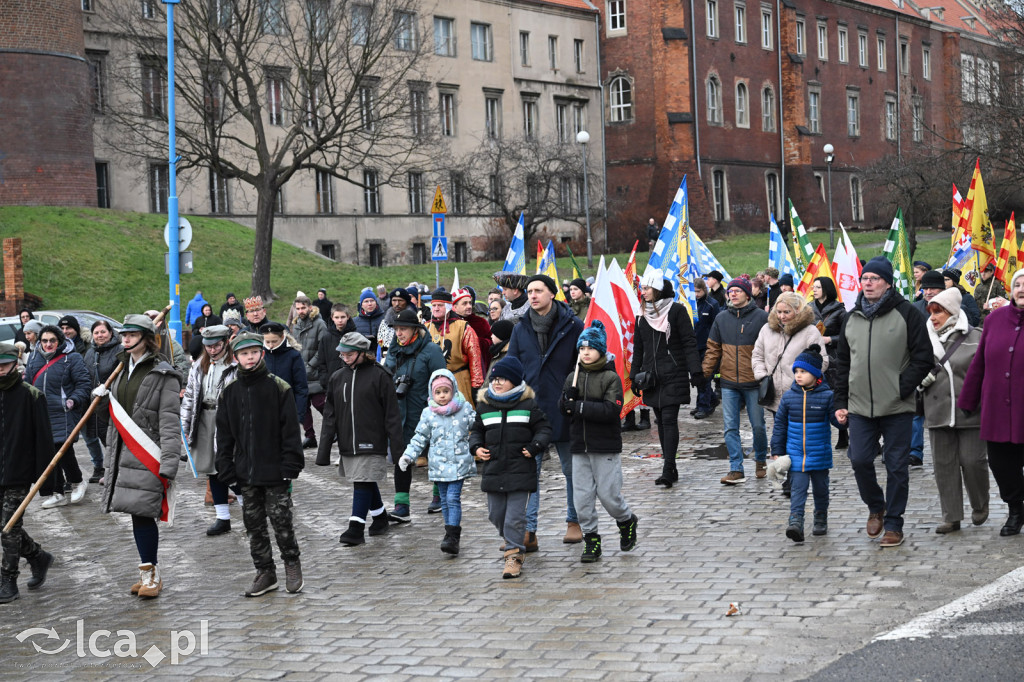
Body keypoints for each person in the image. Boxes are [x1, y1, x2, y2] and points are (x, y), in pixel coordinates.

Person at [834, 257, 933, 547]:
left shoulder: (907, 314)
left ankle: (894, 524)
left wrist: (901, 387)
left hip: (897, 407)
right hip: (860, 406)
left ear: (888, 283)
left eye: (875, 278)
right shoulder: (851, 318)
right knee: (860, 459)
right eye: (865, 278)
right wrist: (841, 400)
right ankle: (876, 506)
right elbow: (843, 363)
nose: (868, 283)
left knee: (896, 465)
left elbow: (923, 357)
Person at [99, 314, 183, 599]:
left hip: (149, 453)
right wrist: (98, 398)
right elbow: (114, 419)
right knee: (136, 515)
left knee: (143, 514)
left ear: (147, 338)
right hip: (123, 452)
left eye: (132, 334)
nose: (125, 338)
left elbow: (170, 421)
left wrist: (170, 462)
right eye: (124, 334)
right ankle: (148, 574)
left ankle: (152, 576)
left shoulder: (164, 374)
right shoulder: (120, 370)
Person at [215, 332, 304, 596]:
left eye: (254, 352)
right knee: (253, 526)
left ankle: (291, 563)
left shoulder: (279, 387)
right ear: (236, 358)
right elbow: (224, 434)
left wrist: (290, 465)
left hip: (276, 470)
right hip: (246, 472)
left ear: (262, 353)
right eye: (244, 354)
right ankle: (265, 571)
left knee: (281, 521)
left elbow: (290, 431)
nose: (250, 357)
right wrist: (226, 467)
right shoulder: (230, 392)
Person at [507, 274, 585, 547]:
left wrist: (575, 394)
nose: (532, 295)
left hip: (564, 408)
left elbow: (583, 364)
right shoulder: (521, 328)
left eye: (538, 290)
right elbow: (512, 366)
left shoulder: (574, 326)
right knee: (529, 472)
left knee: (571, 469)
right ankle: (528, 531)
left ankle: (574, 521)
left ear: (552, 293)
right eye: (529, 291)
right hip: (531, 411)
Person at [560, 321, 638, 563]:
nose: (585, 352)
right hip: (579, 447)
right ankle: (591, 540)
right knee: (582, 499)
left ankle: (626, 520)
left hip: (604, 446)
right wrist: (567, 402)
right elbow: (564, 409)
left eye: (590, 348)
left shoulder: (610, 377)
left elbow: (610, 410)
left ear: (601, 350)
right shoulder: (572, 376)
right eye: (581, 348)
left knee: (608, 495)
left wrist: (579, 406)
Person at [317, 332, 404, 546]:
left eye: (349, 354)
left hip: (373, 440)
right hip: (348, 442)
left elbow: (392, 415)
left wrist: (399, 450)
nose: (344, 358)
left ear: (363, 353)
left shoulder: (380, 376)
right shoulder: (337, 377)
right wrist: (324, 450)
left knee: (362, 481)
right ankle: (381, 517)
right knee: (364, 479)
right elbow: (330, 415)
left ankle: (355, 528)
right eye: (342, 354)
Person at [469, 356, 551, 579]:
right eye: (494, 378)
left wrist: (535, 447)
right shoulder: (485, 406)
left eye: (503, 379)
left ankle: (514, 555)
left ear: (515, 381)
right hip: (494, 470)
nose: (496, 382)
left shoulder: (527, 405)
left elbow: (543, 429)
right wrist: (476, 447)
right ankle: (510, 540)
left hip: (520, 471)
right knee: (496, 515)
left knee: (515, 517)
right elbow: (476, 430)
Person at [958, 268, 1024, 537]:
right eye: (1018, 284)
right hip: (998, 408)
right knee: (1000, 463)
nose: (1022, 289)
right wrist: (968, 398)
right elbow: (980, 362)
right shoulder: (995, 319)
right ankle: (1016, 509)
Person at [918, 288, 988, 534]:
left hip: (970, 411)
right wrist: (918, 380)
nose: (934, 317)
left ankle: (980, 504)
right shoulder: (922, 339)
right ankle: (952, 516)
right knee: (944, 466)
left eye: (939, 311)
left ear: (953, 312)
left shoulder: (976, 337)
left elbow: (985, 373)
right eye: (931, 312)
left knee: (974, 462)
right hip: (937, 410)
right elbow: (911, 366)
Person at [631, 269, 702, 488]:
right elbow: (639, 347)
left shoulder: (677, 311)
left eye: (646, 288)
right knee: (660, 420)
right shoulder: (642, 314)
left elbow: (689, 342)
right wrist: (635, 376)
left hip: (674, 373)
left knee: (669, 419)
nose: (643, 292)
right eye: (642, 288)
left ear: (658, 289)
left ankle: (668, 468)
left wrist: (695, 371)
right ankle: (670, 464)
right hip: (652, 377)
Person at [0, 342, 56, 604]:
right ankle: (37, 556)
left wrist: (44, 481)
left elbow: (43, 439)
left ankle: (8, 580)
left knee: (9, 528)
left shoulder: (31, 395)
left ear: (15, 364)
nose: (1, 370)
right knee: (3, 526)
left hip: (18, 473)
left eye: (5, 365)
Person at [399, 369, 477, 555]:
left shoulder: (464, 409)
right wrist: (408, 455)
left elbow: (478, 425)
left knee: (452, 498)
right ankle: (449, 532)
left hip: (459, 463)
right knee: (444, 499)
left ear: (453, 390)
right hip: (439, 465)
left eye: (446, 391)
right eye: (438, 392)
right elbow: (420, 437)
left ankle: (452, 535)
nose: (442, 396)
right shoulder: (428, 414)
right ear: (432, 393)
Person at [703, 278, 770, 484]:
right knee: (730, 427)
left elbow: (770, 348)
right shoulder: (721, 318)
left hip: (754, 382)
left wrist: (768, 375)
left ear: (747, 294)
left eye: (737, 291)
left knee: (758, 426)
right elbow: (713, 349)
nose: (732, 294)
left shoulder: (762, 317)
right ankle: (736, 468)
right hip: (729, 382)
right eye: (730, 291)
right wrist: (704, 374)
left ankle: (760, 459)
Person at [384, 308, 446, 521]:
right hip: (399, 414)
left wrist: (438, 409)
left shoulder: (431, 350)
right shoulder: (394, 350)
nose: (399, 333)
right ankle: (402, 506)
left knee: (435, 455)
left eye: (403, 329)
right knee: (402, 458)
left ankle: (439, 497)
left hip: (427, 413)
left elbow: (442, 382)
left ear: (415, 330)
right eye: (396, 329)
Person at [771, 345, 838, 542]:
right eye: (797, 371)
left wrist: (843, 418)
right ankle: (796, 521)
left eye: (804, 372)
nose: (798, 375)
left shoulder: (827, 396)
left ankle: (820, 516)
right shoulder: (789, 397)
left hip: (819, 455)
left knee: (821, 490)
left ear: (816, 374)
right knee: (797, 489)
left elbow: (836, 421)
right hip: (796, 456)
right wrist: (777, 450)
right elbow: (780, 425)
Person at [180, 325, 239, 536]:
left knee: (231, 469)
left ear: (225, 343)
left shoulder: (235, 366)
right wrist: (185, 426)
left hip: (227, 421)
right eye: (208, 347)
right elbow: (189, 397)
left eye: (216, 346)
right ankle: (222, 517)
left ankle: (250, 511)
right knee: (212, 470)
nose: (212, 350)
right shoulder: (198, 366)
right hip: (203, 419)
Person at [25, 326, 91, 508]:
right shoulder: (33, 357)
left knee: (63, 450)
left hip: (63, 412)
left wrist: (73, 400)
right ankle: (57, 492)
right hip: (40, 413)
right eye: (44, 341)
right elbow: (28, 383)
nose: (48, 344)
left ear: (59, 341)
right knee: (47, 453)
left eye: (52, 340)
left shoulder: (72, 358)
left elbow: (84, 383)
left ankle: (77, 482)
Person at [752, 293, 828, 417]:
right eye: (779, 312)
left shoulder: (810, 331)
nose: (782, 316)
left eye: (786, 312)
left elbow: (822, 361)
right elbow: (757, 355)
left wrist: (803, 379)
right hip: (774, 395)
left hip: (800, 395)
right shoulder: (767, 329)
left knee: (797, 434)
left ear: (797, 309)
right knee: (779, 433)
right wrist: (762, 376)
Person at [428, 289, 485, 407]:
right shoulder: (426, 327)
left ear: (449, 307)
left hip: (459, 379)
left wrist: (476, 386)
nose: (436, 308)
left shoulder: (463, 327)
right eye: (434, 305)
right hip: (434, 382)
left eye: (440, 305)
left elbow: (475, 357)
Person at [811, 277, 848, 449]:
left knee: (837, 395)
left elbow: (846, 335)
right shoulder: (808, 308)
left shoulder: (839, 310)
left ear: (826, 289)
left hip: (834, 359)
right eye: (813, 287)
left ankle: (843, 432)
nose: (814, 289)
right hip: (814, 357)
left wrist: (830, 339)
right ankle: (820, 434)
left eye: (818, 287)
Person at [83, 320, 121, 484]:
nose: (100, 335)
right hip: (95, 403)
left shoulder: (119, 350)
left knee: (113, 439)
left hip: (113, 402)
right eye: (96, 332)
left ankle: (117, 472)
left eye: (103, 332)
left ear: (110, 333)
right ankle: (110, 471)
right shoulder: (90, 352)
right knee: (100, 436)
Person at [291, 295, 328, 449]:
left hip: (316, 371)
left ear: (310, 307)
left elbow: (323, 348)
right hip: (300, 373)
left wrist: (311, 365)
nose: (301, 311)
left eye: (303, 308)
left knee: (320, 403)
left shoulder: (320, 324)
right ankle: (309, 436)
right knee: (303, 406)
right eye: (298, 308)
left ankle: (336, 428)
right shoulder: (296, 325)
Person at [260, 322, 309, 425]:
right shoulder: (260, 355)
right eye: (267, 341)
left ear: (282, 337)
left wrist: (299, 415)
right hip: (264, 410)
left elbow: (301, 387)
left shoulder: (293, 355)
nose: (270, 345)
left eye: (274, 341)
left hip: (287, 409)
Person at [690, 278, 720, 420]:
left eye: (698, 291)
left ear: (704, 290)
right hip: (693, 346)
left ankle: (704, 405)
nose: (696, 294)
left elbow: (717, 325)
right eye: (694, 291)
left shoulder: (712, 305)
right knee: (697, 377)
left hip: (707, 347)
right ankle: (709, 399)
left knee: (705, 377)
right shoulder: (690, 304)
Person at [316, 303, 357, 401]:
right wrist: (326, 382)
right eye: (337, 317)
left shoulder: (355, 336)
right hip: (333, 384)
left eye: (342, 317)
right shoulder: (326, 338)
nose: (340, 320)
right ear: (332, 318)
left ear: (348, 316)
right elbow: (321, 362)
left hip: (353, 384)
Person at [453, 287, 492, 368]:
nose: (469, 306)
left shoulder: (481, 322)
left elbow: (490, 345)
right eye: (464, 303)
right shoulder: (448, 324)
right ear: (455, 307)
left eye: (470, 303)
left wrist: (474, 342)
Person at [378, 287, 412, 352]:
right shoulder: (385, 322)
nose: (397, 304)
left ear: (406, 302)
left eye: (400, 300)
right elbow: (380, 342)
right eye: (394, 300)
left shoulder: (416, 320)